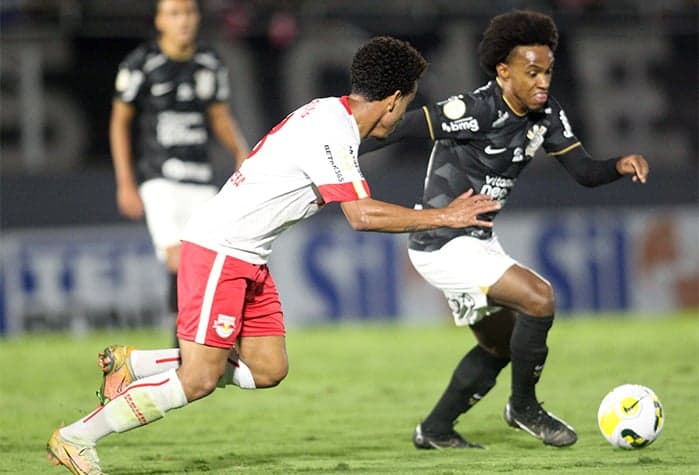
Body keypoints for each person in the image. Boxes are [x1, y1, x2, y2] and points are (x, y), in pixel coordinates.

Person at [47, 35, 501, 474]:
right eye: (405, 105)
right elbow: (361, 216)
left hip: (248, 256)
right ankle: (77, 437)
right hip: (220, 250)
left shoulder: (330, 116)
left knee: (267, 368)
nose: (401, 116)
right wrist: (446, 217)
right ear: (394, 99)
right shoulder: (332, 129)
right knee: (199, 379)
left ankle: (139, 364)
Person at [359, 10, 649, 449]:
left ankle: (435, 430)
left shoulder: (546, 114)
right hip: (441, 241)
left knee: (501, 346)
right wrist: (331, 160)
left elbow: (585, 172)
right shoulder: (474, 110)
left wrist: (619, 166)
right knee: (539, 298)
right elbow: (393, 130)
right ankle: (524, 407)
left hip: (477, 242)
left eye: (548, 71)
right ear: (503, 70)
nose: (543, 81)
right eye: (531, 72)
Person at [109, 0, 249, 343]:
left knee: (208, 259)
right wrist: (125, 182)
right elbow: (119, 122)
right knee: (178, 258)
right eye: (174, 13)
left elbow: (219, 116)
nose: (183, 21)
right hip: (159, 177)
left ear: (197, 17)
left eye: (188, 12)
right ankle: (181, 346)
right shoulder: (141, 64)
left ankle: (198, 340)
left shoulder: (210, 63)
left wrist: (241, 151)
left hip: (200, 177)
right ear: (159, 20)